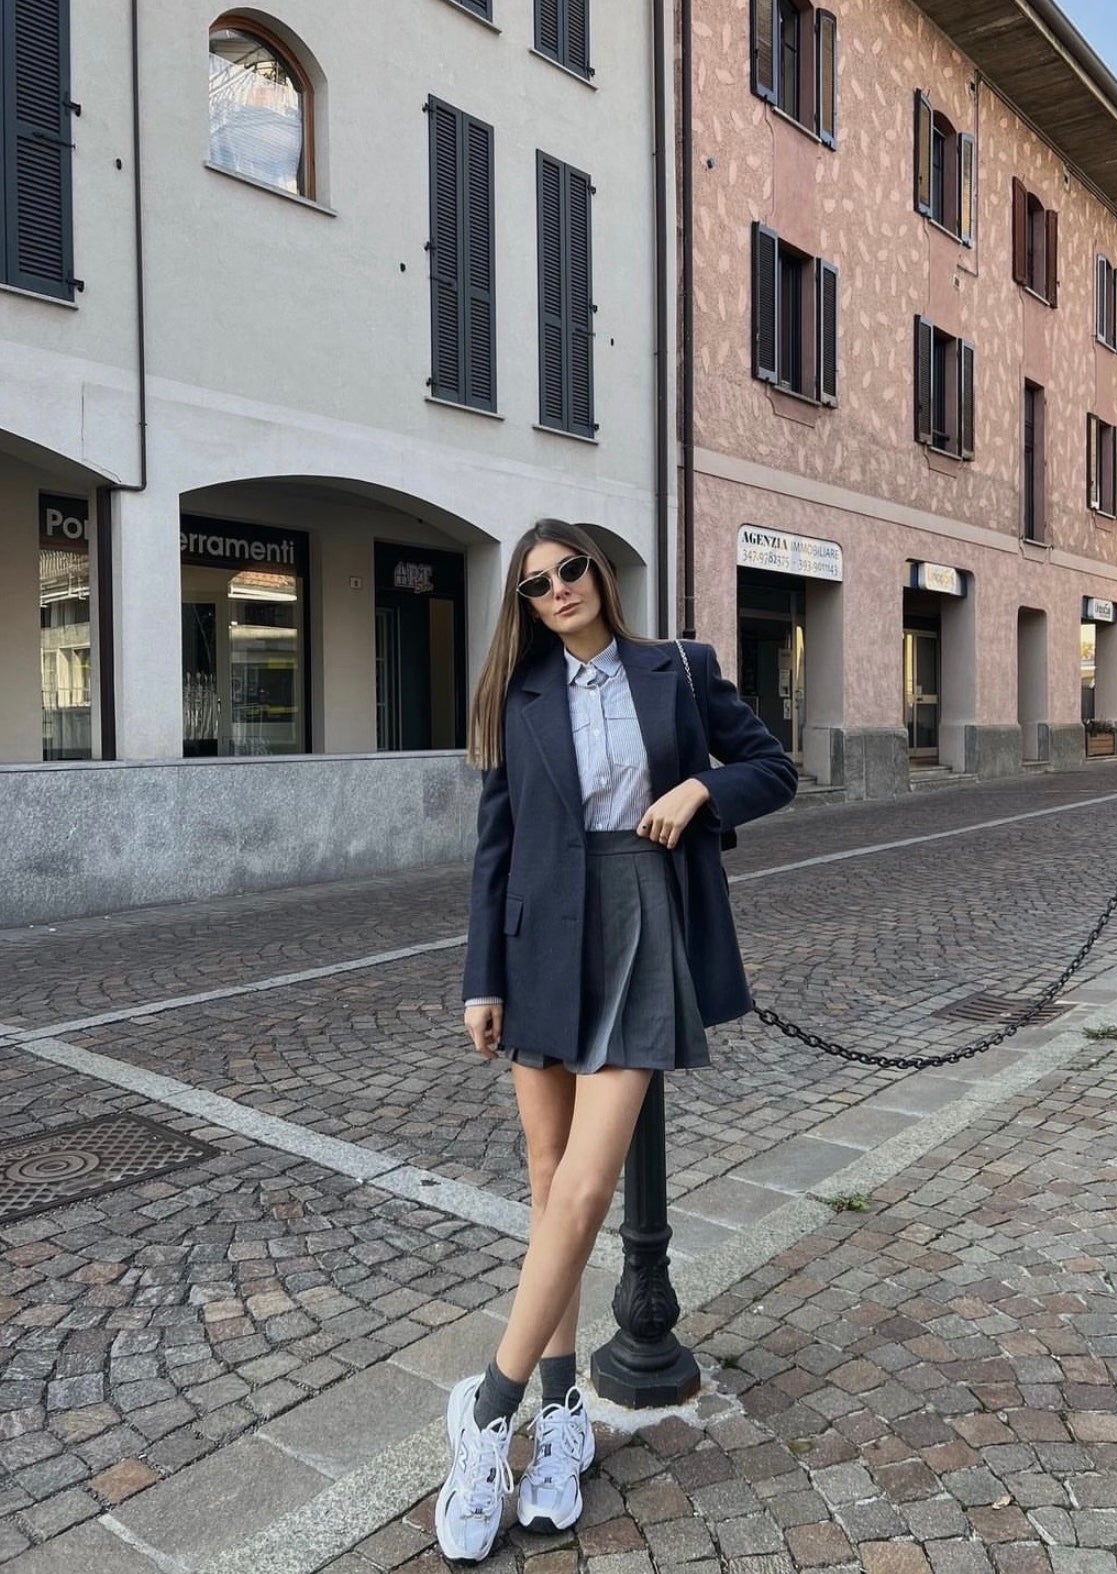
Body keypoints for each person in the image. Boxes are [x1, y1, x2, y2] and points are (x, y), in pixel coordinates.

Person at [436, 519, 797, 1562]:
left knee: (590, 1184)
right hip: (539, 938)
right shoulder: (519, 693)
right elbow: (495, 847)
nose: (558, 588)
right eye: (536, 582)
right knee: (550, 1177)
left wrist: (700, 788)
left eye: (570, 569)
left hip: (643, 916)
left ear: (598, 572)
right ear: (525, 603)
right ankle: (559, 1416)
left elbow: (772, 766)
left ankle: (488, 1411)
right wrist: (481, 978)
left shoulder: (677, 667)